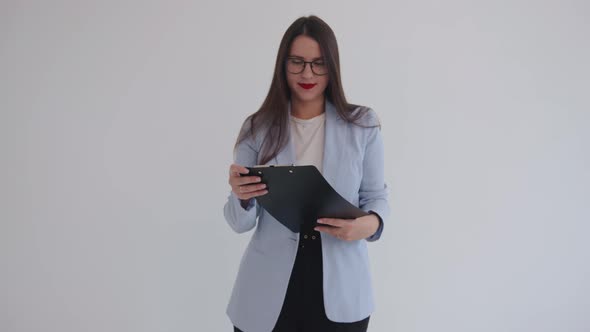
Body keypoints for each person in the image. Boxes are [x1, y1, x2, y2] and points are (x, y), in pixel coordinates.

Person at [223, 15, 390, 332]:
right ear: (282, 65)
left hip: (341, 289)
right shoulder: (256, 128)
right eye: (297, 62)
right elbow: (239, 222)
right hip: (268, 289)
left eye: (318, 63)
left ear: (333, 67)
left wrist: (370, 224)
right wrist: (240, 196)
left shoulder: (363, 125)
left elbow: (376, 196)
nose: (307, 73)